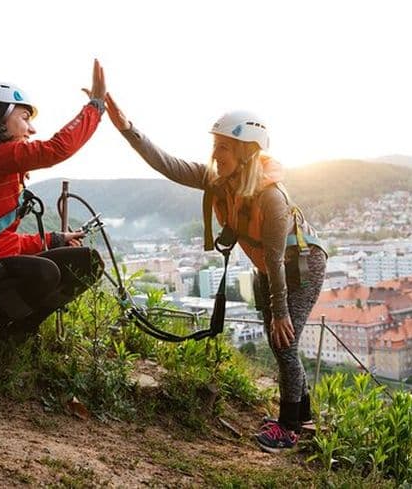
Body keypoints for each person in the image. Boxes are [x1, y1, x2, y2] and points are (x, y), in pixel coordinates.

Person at [102, 93, 327, 453]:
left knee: (284, 341)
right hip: (271, 268)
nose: (214, 154)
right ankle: (304, 420)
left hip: (300, 266)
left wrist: (281, 310)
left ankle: (290, 427)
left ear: (247, 152)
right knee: (281, 342)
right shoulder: (219, 181)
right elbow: (168, 165)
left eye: (223, 147)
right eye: (215, 145)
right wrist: (128, 129)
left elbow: (274, 256)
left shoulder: (272, 198)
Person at [0, 59, 106, 345]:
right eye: (24, 117)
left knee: (87, 263)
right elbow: (55, 149)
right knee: (43, 272)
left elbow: (1, 243)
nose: (31, 128)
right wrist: (95, 107)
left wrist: (54, 238)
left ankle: (12, 335)